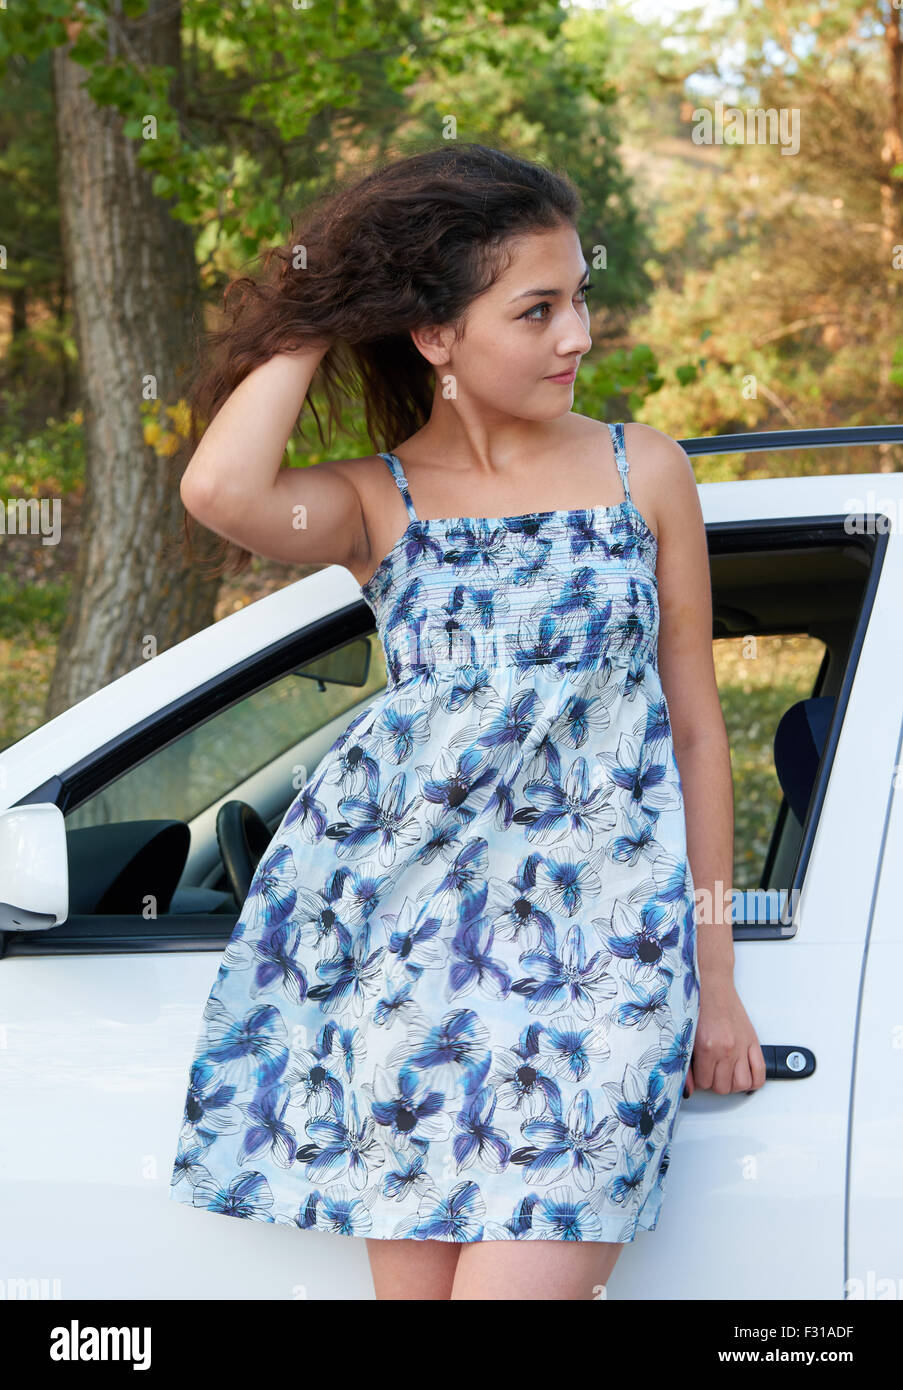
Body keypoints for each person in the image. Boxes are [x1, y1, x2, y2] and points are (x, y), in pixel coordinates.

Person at [169, 142, 765, 1301]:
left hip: (607, 965)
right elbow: (220, 491)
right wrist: (321, 306)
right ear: (434, 334)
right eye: (537, 309)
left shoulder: (642, 471)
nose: (578, 336)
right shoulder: (375, 500)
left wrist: (716, 972)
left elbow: (697, 735)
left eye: (578, 297)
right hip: (409, 967)